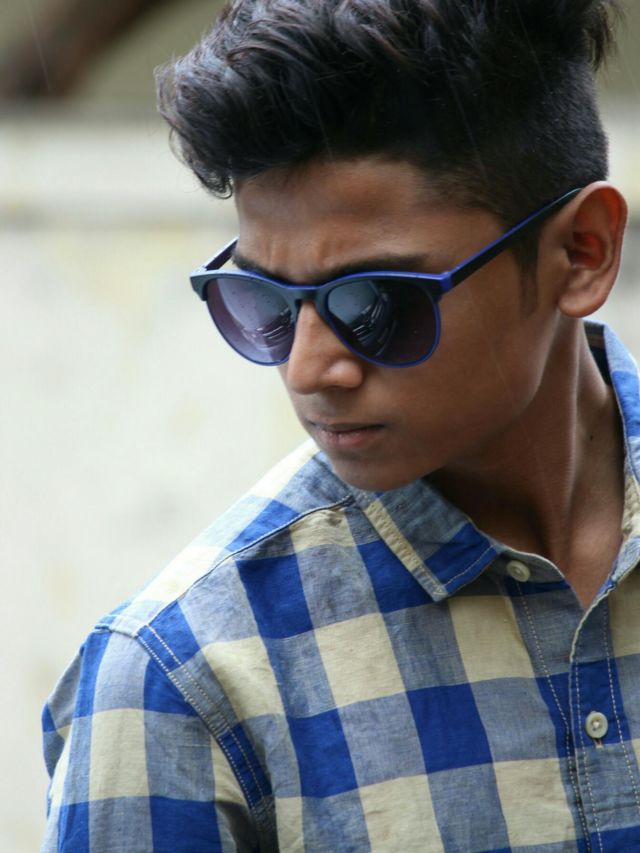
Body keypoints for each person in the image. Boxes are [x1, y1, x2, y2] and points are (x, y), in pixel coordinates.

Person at [41, 1, 640, 850]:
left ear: (582, 253)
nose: (308, 368)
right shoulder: (176, 681)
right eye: (263, 303)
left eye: (375, 303)